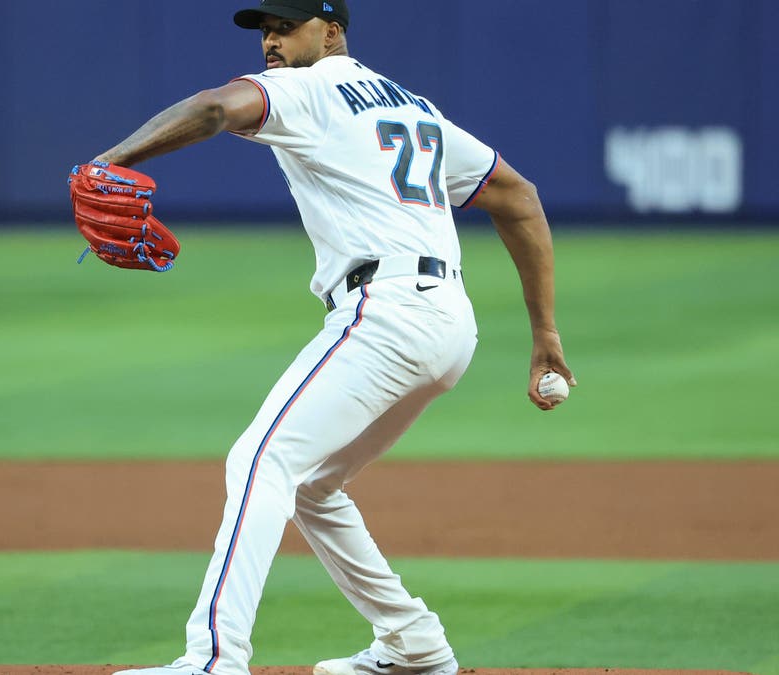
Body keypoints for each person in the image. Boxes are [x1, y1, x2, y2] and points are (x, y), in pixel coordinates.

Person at [92, 1, 577, 674]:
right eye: (265, 28)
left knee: (260, 461)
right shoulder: (413, 107)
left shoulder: (307, 87)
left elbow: (212, 109)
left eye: (286, 25)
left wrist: (109, 160)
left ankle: (213, 659)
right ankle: (414, 643)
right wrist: (545, 332)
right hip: (447, 322)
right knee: (314, 484)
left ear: (332, 31)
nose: (271, 40)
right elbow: (517, 194)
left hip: (386, 310)